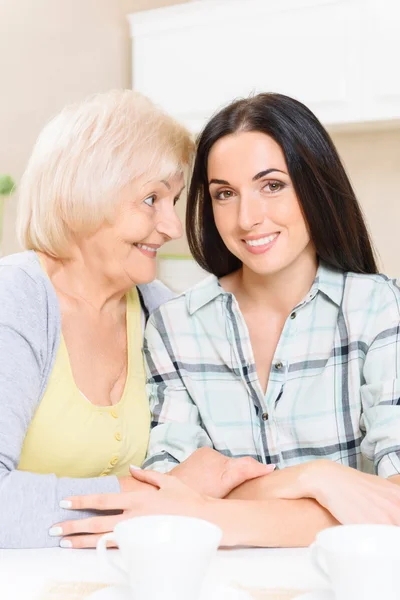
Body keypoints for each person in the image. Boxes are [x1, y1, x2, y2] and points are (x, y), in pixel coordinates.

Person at [57, 92, 400, 549]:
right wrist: (322, 482)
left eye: (272, 185)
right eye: (225, 194)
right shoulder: (174, 327)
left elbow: (393, 507)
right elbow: (170, 499)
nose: (248, 218)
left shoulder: (379, 309)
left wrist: (213, 509)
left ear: (314, 184)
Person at [1, 90, 269, 550]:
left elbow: (214, 478)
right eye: (151, 199)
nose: (170, 226)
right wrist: (147, 499)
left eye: (174, 200)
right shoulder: (16, 301)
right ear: (87, 192)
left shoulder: (160, 310)